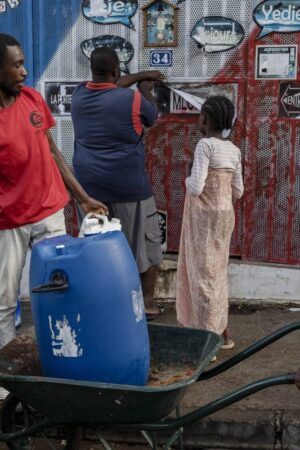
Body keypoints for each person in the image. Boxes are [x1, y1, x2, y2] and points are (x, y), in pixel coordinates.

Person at [0, 33, 108, 349]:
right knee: (4, 302)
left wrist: (83, 198)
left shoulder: (33, 99)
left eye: (23, 64)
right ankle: (6, 381)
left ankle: (62, 359)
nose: (24, 72)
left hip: (49, 213)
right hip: (9, 223)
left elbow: (52, 152)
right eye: (16, 65)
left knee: (60, 293)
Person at [71, 47, 165, 319]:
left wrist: (140, 75)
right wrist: (146, 86)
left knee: (97, 249)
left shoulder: (78, 95)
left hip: (89, 192)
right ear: (116, 70)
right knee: (146, 247)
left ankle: (104, 305)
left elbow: (111, 84)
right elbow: (152, 118)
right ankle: (146, 305)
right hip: (129, 189)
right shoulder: (132, 100)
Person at [176, 95, 244, 348]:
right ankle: (222, 331)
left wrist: (187, 173)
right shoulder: (234, 149)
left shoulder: (205, 145)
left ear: (205, 118)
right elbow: (238, 191)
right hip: (225, 217)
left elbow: (195, 187)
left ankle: (206, 341)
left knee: (202, 275)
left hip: (203, 218)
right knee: (216, 273)